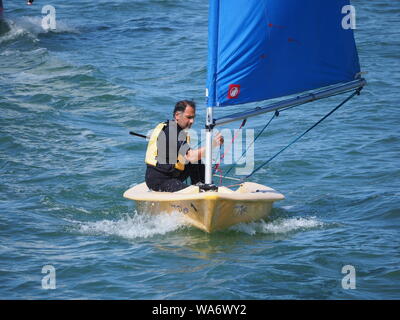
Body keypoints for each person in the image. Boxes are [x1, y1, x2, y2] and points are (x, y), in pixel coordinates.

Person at [145, 100, 223, 192]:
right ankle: (199, 190)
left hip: (173, 174)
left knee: (197, 160)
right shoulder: (172, 131)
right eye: (188, 117)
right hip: (160, 180)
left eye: (193, 117)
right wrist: (213, 144)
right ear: (177, 115)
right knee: (193, 158)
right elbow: (191, 157)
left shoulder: (178, 130)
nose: (192, 121)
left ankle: (201, 184)